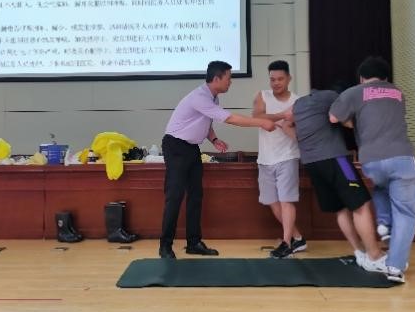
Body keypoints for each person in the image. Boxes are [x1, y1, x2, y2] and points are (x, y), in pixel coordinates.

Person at [159, 61, 277, 259]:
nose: (231, 82)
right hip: (176, 146)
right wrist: (262, 122)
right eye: (229, 78)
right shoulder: (200, 97)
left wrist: (214, 139)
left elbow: (205, 121)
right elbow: (230, 119)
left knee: (196, 196)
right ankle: (165, 246)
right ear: (216, 79)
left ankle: (194, 243)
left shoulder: (212, 97)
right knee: (175, 196)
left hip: (191, 148)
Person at [329, 56, 415, 283]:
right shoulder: (398, 93)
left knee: (381, 186)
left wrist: (353, 123)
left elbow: (333, 117)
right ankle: (395, 267)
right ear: (386, 78)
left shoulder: (354, 92)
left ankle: (384, 223)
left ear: (361, 77)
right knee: (406, 213)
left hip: (371, 159)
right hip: (401, 156)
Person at [286, 83, 386, 272]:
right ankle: (374, 256)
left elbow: (286, 122)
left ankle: (360, 252)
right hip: (337, 159)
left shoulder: (299, 104)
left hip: (311, 163)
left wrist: (304, 142)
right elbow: (344, 120)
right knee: (360, 204)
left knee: (340, 209)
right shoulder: (332, 96)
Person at [252, 60, 306, 259]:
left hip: (288, 156)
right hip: (265, 158)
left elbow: (299, 130)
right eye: (272, 79)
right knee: (272, 201)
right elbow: (257, 117)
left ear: (289, 78)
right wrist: (282, 115)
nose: (276, 83)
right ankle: (298, 238)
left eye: (280, 79)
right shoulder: (262, 95)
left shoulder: (298, 101)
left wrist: (283, 120)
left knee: (286, 200)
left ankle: (287, 243)